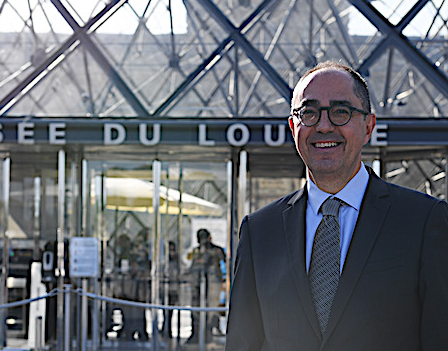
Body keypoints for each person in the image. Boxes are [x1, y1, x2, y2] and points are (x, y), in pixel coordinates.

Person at [225, 61, 448, 350]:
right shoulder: (259, 231)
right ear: (294, 128)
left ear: (368, 126)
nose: (324, 125)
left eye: (341, 112)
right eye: (309, 113)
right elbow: (243, 343)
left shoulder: (424, 221)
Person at [187, 228, 225, 344]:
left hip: (213, 283)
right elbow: (193, 267)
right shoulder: (196, 251)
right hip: (197, 283)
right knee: (196, 308)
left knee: (211, 309)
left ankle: (210, 332)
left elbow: (223, 262)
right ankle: (196, 333)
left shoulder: (217, 250)